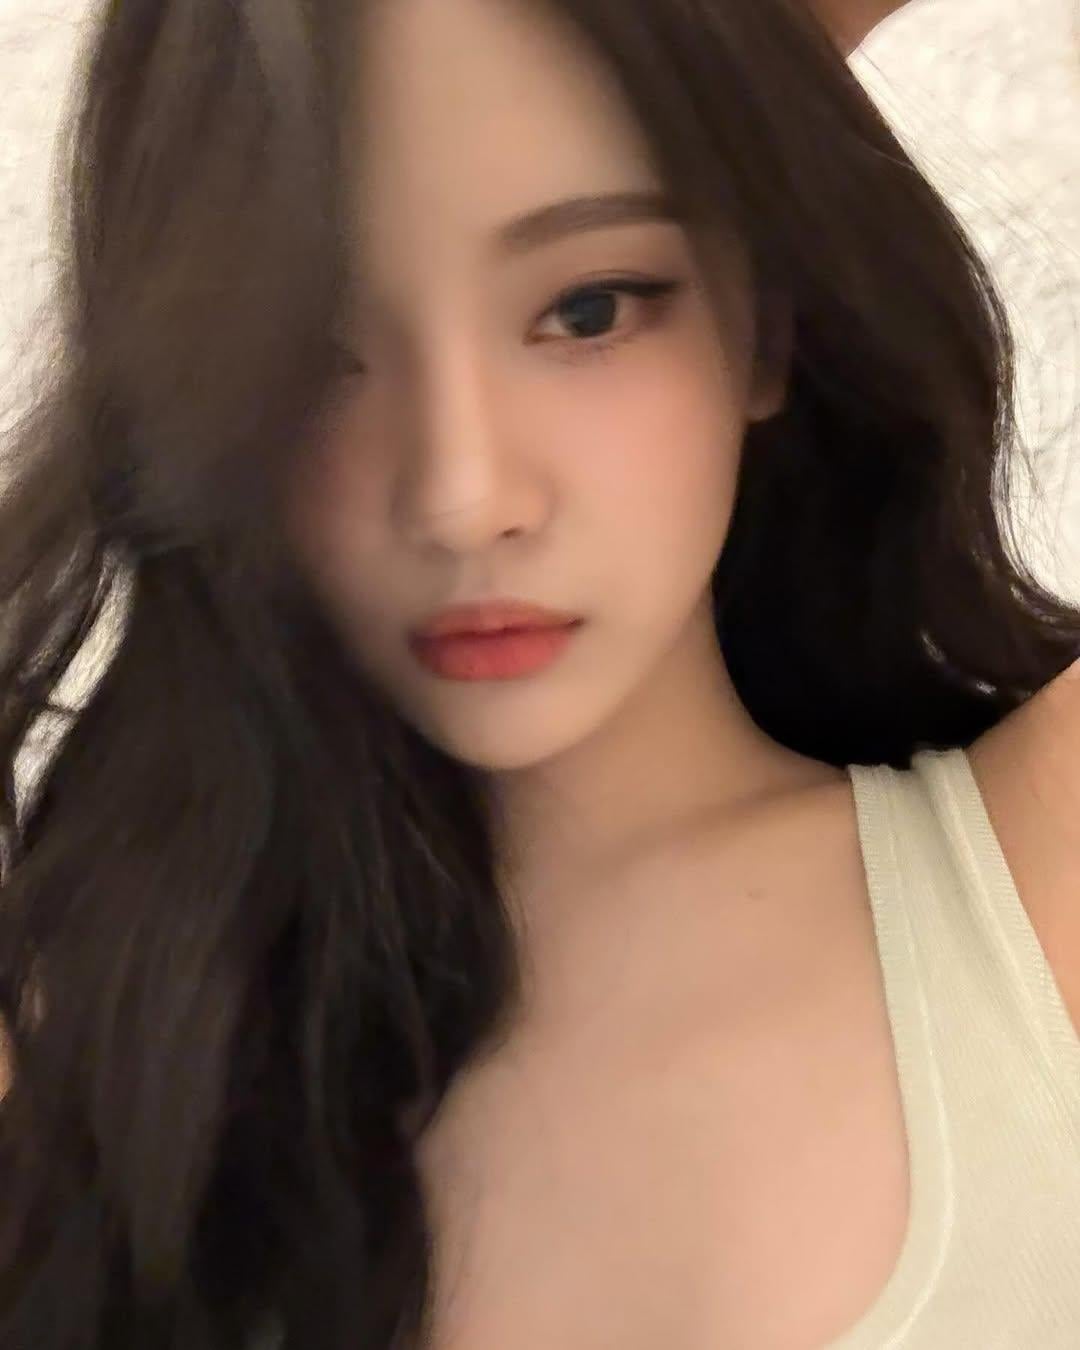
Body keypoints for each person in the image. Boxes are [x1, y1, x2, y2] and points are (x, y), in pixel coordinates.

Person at [0, 0, 1077, 1346]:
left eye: (586, 308)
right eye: (315, 354)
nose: (463, 496)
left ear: (767, 322)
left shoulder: (1041, 886)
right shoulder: (105, 1071)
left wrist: (717, 43)